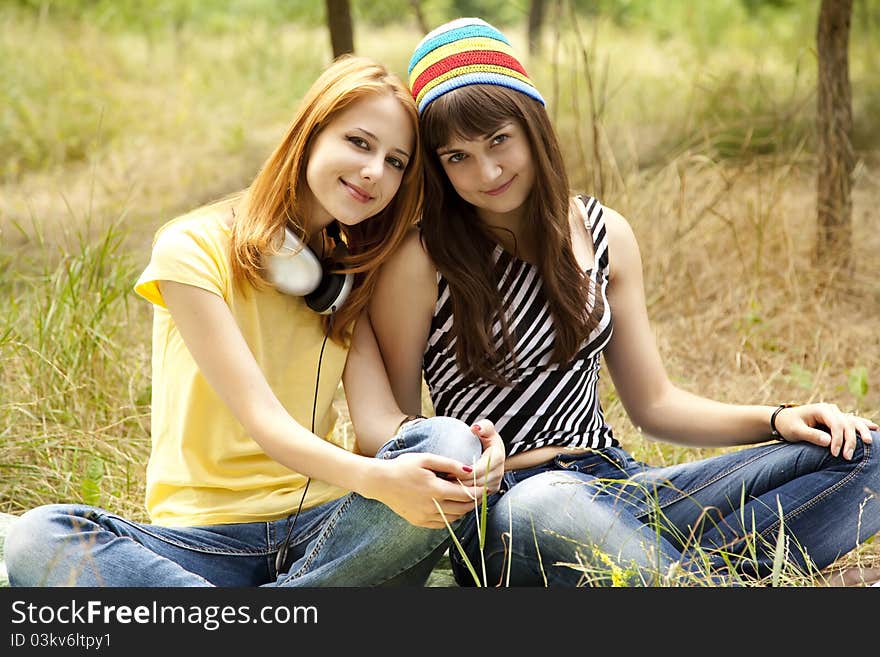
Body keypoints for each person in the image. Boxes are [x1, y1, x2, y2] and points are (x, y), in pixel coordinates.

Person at [368, 17, 880, 586]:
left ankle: (651, 573)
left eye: (498, 141)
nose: (486, 171)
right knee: (547, 506)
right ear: (436, 167)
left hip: (622, 488)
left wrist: (780, 420)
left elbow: (654, 404)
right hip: (507, 512)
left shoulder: (603, 232)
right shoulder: (421, 258)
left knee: (863, 450)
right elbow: (396, 434)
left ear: (533, 127)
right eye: (457, 156)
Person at [5, 54, 504, 587]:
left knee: (449, 444)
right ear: (309, 135)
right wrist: (378, 478)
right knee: (40, 537)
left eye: (396, 161)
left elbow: (380, 424)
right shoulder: (192, 247)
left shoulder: (345, 277)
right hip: (199, 543)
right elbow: (263, 422)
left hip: (324, 532)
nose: (373, 171)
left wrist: (468, 457)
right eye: (359, 143)